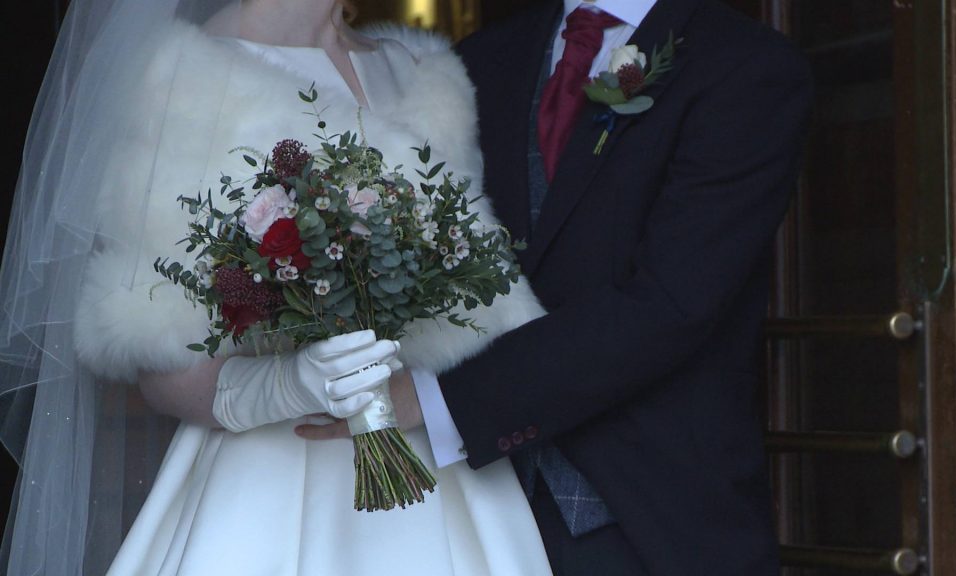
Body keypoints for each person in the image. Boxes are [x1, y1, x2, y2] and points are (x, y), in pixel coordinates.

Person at [0, 0, 553, 574]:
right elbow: (156, 349)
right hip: (272, 479)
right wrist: (289, 385)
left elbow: (470, 297)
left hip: (437, 463)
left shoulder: (425, 75)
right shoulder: (177, 76)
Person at [304, 0, 814, 574]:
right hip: (467, 513)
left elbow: (672, 303)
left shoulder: (745, 68)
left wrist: (431, 399)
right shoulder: (477, 60)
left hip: (648, 512)